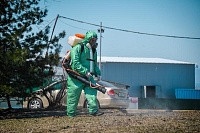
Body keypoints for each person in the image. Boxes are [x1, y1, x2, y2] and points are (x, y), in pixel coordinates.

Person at [67, 31, 104, 117]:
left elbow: (94, 64)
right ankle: (71, 113)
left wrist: (98, 72)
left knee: (92, 93)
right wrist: (84, 71)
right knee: (73, 95)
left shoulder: (93, 50)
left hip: (88, 76)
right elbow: (75, 63)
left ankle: (94, 111)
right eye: (92, 40)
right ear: (88, 39)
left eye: (95, 40)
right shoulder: (78, 48)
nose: (94, 42)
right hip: (76, 77)